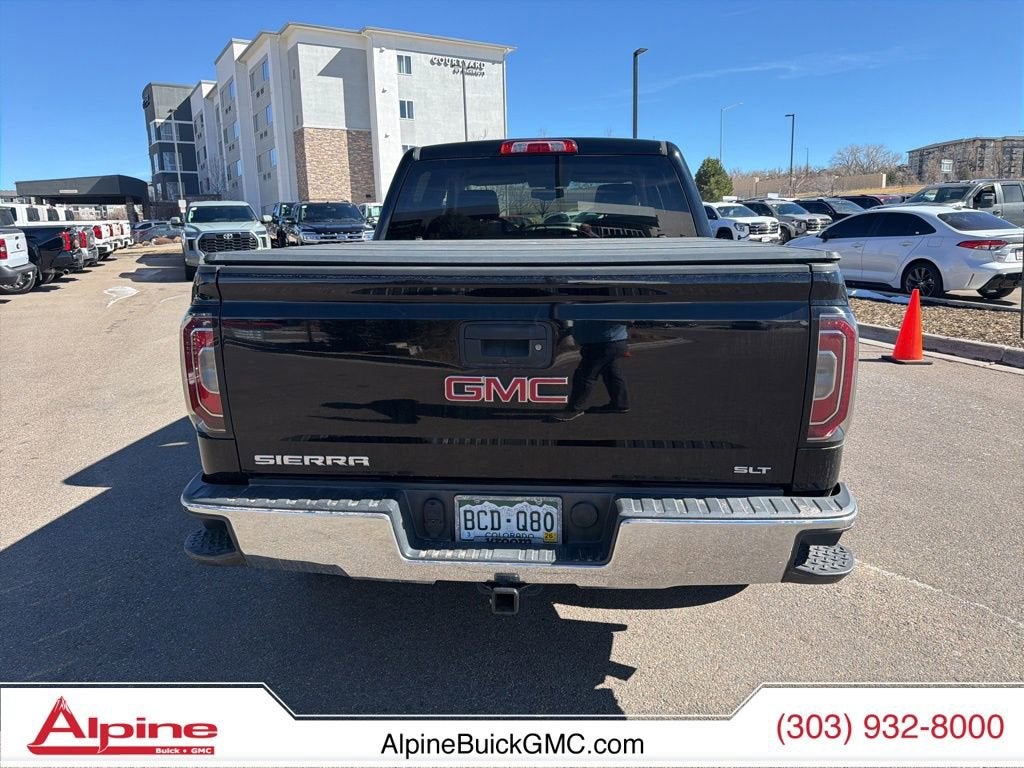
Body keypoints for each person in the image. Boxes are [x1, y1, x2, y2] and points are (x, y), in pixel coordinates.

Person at [550, 321, 630, 422]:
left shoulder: (606, 306)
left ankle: (573, 409)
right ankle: (620, 404)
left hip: (603, 343)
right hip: (610, 342)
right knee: (611, 374)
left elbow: (627, 319)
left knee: (584, 376)